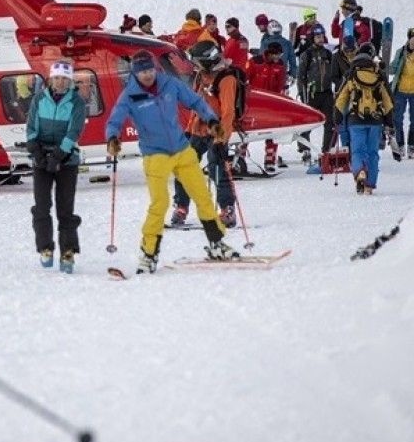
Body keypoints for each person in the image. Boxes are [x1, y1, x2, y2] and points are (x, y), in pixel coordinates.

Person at [105, 49, 236, 274]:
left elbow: (196, 101)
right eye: (142, 72)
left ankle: (217, 243)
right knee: (160, 204)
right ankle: (148, 254)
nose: (147, 75)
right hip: (155, 155)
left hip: (182, 149)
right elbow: (114, 120)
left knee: (203, 197)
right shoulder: (130, 95)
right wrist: (112, 138)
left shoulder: (169, 84)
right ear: (135, 74)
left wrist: (212, 120)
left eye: (149, 70)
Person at [26, 59, 87, 273]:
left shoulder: (76, 103)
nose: (60, 82)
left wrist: (59, 155)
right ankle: (45, 248)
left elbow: (74, 132)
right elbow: (31, 127)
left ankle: (68, 251)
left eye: (65, 79)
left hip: (66, 160)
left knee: (65, 208)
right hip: (42, 158)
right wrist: (37, 151)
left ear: (70, 81)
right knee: (41, 206)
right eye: (57, 78)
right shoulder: (39, 99)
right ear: (51, 79)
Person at [171, 42, 239, 228]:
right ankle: (181, 207)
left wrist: (220, 138)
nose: (195, 66)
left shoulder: (226, 79)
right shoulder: (201, 76)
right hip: (198, 129)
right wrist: (188, 130)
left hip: (216, 131)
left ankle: (227, 209)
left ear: (208, 61)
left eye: (197, 63)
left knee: (217, 167)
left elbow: (228, 113)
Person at [334, 52, 395, 193]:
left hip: (356, 120)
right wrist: (389, 121)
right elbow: (387, 102)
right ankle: (369, 185)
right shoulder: (378, 77)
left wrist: (337, 117)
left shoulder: (351, 77)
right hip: (375, 121)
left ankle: (360, 171)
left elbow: (340, 99)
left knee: (357, 151)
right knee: (373, 153)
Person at [297, 24, 339, 159]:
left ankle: (326, 150)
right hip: (311, 93)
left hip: (326, 93)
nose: (320, 39)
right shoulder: (307, 55)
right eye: (317, 37)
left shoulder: (327, 54)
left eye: (322, 36)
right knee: (307, 123)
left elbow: (334, 73)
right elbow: (300, 77)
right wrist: (303, 97)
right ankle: (305, 149)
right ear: (312, 38)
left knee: (330, 123)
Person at [247, 42, 289, 172]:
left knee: (273, 132)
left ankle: (270, 159)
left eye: (280, 55)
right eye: (277, 55)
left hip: (271, 103)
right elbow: (245, 78)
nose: (278, 57)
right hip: (254, 102)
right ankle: (240, 156)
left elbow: (280, 84)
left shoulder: (280, 65)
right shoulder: (255, 62)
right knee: (246, 131)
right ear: (270, 53)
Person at [389, 28, 414, 159]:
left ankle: (411, 145)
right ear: (409, 39)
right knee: (398, 119)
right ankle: (400, 145)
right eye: (412, 38)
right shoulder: (401, 53)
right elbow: (392, 70)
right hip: (400, 91)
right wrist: (388, 65)